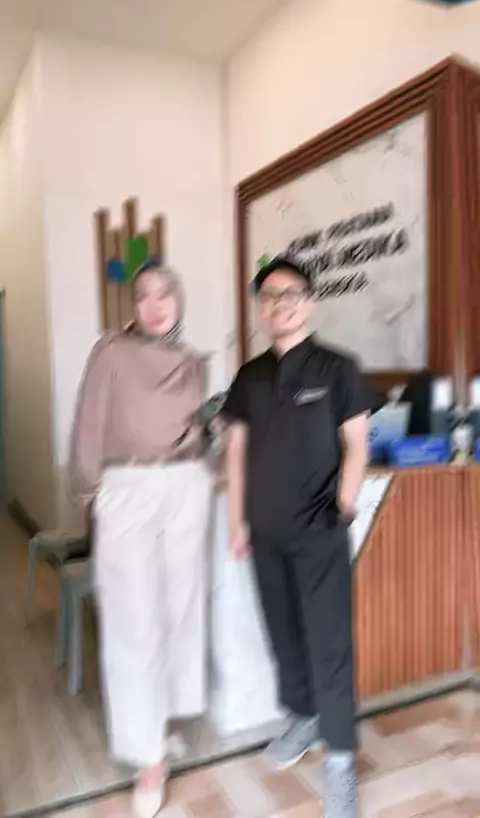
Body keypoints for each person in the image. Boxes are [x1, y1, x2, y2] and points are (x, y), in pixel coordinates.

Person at [222, 257, 369, 818]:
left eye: (290, 294)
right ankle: (304, 718)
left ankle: (341, 766)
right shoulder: (249, 376)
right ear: (260, 310)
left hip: (319, 531)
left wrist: (344, 505)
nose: (279, 304)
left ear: (309, 301)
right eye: (268, 296)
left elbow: (357, 445)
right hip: (265, 532)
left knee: (329, 644)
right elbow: (236, 451)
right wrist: (238, 521)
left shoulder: (339, 368)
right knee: (283, 634)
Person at [69, 260, 213, 818]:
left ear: (179, 299)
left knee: (179, 613)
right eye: (144, 295)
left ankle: (160, 724)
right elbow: (88, 425)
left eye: (165, 293)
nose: (155, 305)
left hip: (185, 488)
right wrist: (91, 493)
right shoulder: (111, 352)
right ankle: (148, 760)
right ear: (133, 306)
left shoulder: (193, 362)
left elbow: (195, 431)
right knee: (133, 624)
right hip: (127, 489)